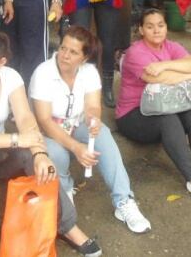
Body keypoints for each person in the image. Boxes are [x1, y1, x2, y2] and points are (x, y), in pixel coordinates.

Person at [0, 31, 102, 257]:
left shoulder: (10, 77)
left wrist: (39, 153)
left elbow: (25, 118)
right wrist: (15, 139)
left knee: (31, 153)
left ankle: (68, 226)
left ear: (1, 62)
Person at [30, 26, 151, 233]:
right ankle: (65, 190)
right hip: (46, 131)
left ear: (84, 58)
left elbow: (93, 105)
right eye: (63, 48)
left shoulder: (89, 72)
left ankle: (124, 200)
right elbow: (44, 121)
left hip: (75, 123)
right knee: (57, 152)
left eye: (73, 52)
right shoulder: (43, 72)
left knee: (102, 133)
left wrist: (93, 119)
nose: (65, 55)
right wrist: (77, 147)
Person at [116, 9, 191, 206]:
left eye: (160, 25)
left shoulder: (172, 46)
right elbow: (160, 79)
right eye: (150, 26)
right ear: (141, 30)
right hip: (133, 114)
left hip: (167, 103)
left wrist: (164, 65)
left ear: (166, 27)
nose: (156, 30)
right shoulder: (135, 52)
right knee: (168, 119)